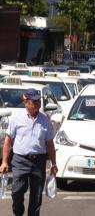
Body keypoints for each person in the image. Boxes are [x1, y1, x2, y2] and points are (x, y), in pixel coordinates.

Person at [0, 88, 58, 216]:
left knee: (36, 196)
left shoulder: (45, 121)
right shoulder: (16, 119)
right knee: (17, 191)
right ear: (26, 102)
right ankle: (18, 213)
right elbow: (8, 141)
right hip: (20, 160)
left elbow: (49, 144)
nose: (37, 104)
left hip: (38, 161)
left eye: (38, 101)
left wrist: (53, 164)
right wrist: (4, 161)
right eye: (34, 101)